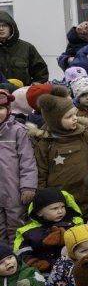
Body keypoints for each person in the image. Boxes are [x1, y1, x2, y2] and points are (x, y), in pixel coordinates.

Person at [0, 89, 37, 244]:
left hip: (13, 188)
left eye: (1, 108)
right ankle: (3, 260)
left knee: (17, 222)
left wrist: (28, 186)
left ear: (8, 110)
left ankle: (18, 257)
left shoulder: (17, 131)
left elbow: (27, 160)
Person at [0, 12, 47, 85]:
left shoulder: (27, 48)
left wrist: (33, 87)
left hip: (22, 94)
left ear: (11, 28)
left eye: (4, 25)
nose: (1, 28)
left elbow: (41, 72)